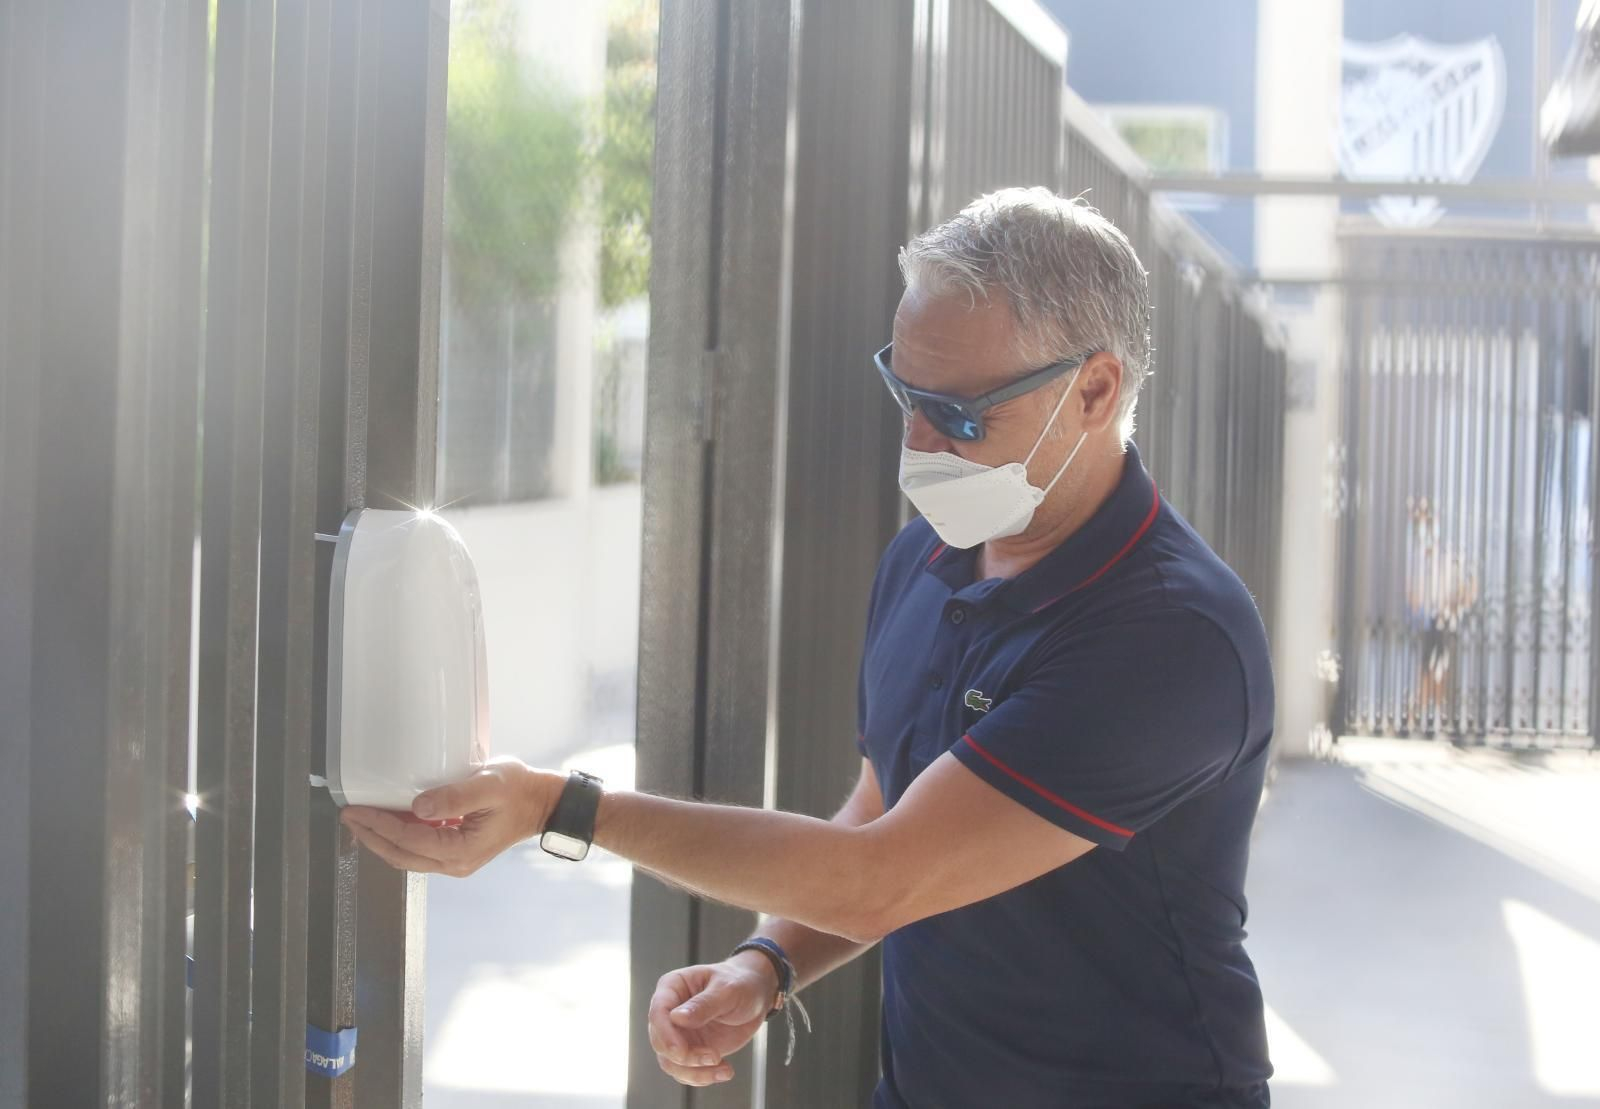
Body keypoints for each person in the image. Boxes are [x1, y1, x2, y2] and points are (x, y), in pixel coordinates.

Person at [343, 187, 1276, 1108]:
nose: (915, 441)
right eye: (904, 393)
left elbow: (880, 879)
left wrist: (559, 804)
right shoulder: (928, 558)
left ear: (1095, 390)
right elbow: (883, 812)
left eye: (957, 415)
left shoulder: (1169, 637)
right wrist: (768, 961)